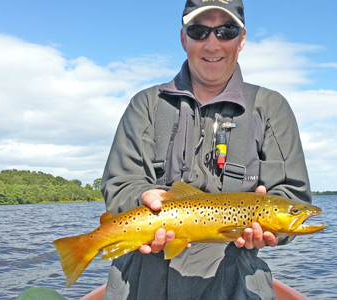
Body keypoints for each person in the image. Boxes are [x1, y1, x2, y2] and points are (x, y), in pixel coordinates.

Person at [100, 0, 311, 299]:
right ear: (184, 38)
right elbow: (118, 186)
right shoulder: (145, 104)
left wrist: (269, 232)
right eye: (200, 31)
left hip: (236, 278)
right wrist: (142, 197)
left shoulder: (271, 107)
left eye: (226, 31)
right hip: (141, 278)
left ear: (242, 39)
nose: (212, 44)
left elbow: (292, 197)